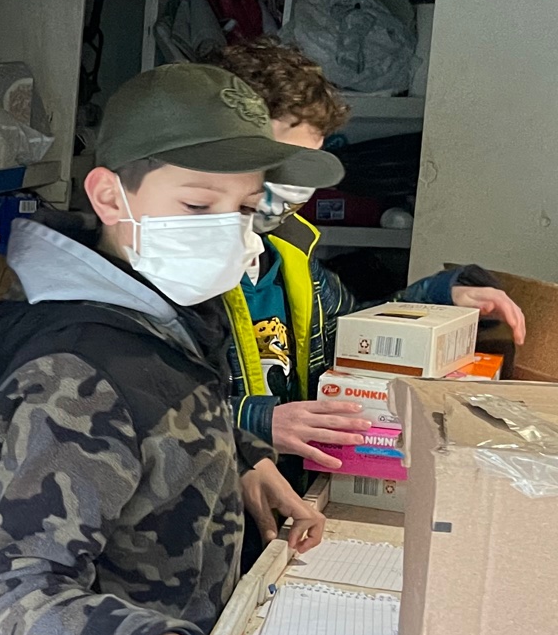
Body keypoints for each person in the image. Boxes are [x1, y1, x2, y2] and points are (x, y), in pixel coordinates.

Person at [0, 64, 330, 635]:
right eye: (199, 206)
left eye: (246, 209)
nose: (231, 233)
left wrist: (240, 465)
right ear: (108, 195)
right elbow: (17, 594)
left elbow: (145, 437)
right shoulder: (74, 372)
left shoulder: (147, 311)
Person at [212, 36, 526, 469]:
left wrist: (435, 301)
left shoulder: (290, 256)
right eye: (285, 161)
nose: (299, 187)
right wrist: (256, 422)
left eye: (312, 166)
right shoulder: (175, 274)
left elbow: (349, 334)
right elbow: (146, 414)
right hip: (214, 503)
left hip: (290, 496)